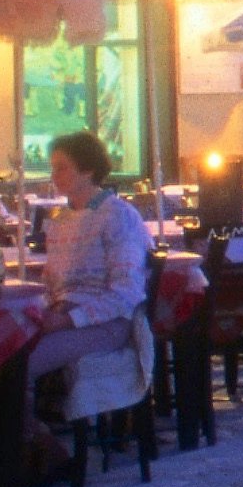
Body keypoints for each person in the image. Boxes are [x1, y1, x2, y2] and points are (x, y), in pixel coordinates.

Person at [30, 130, 151, 405]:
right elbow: (52, 284)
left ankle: (33, 440)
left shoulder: (118, 216)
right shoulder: (60, 222)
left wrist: (68, 319)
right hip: (64, 315)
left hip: (107, 323)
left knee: (20, 362)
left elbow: (126, 293)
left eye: (61, 168)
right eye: (53, 168)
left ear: (87, 170)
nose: (54, 176)